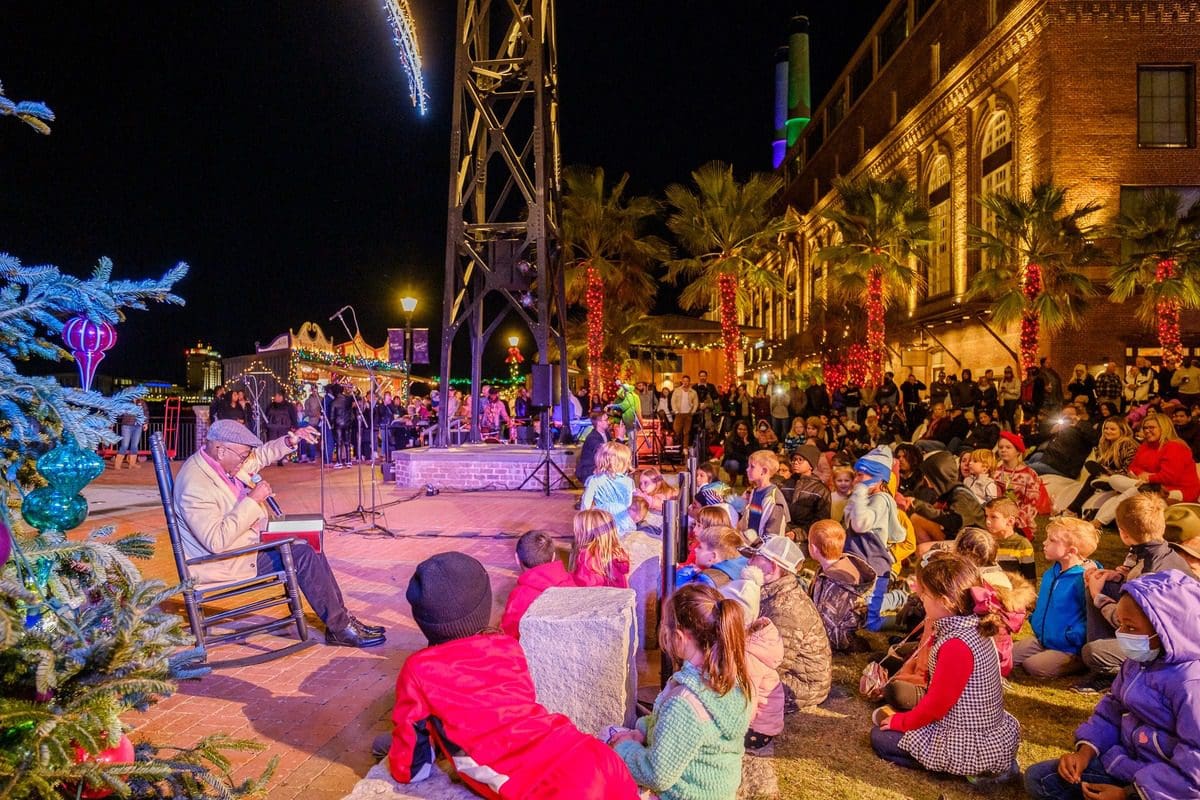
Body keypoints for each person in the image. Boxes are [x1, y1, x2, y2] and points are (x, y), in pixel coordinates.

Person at [383, 552, 639, 798]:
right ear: (483, 606)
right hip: (591, 753)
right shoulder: (507, 646)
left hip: (551, 786)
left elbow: (411, 769)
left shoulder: (419, 669)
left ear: (424, 621)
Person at [174, 419, 383, 647]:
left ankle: (341, 621)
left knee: (309, 541)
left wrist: (290, 440)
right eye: (243, 456)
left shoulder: (224, 462)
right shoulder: (195, 483)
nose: (246, 461)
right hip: (223, 562)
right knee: (301, 554)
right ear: (221, 450)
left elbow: (261, 455)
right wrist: (252, 500)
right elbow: (216, 541)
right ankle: (340, 627)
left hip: (245, 545)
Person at [1025, 570, 1200, 800]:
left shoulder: (1191, 684)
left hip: (1165, 786)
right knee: (1039, 779)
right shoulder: (1138, 661)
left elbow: (1194, 767)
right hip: (1126, 764)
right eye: (1121, 624)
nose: (1122, 634)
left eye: (1131, 628)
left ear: (1167, 630)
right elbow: (1112, 710)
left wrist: (1128, 795)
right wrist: (1084, 753)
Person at [870, 555, 1020, 786]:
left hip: (966, 738)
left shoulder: (956, 645)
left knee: (881, 737)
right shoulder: (971, 626)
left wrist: (902, 723)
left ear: (946, 601)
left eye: (925, 595)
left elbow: (936, 705)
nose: (921, 598)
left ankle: (963, 768)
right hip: (978, 728)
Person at [610, 583, 752, 800]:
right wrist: (642, 730)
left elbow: (656, 774)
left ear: (679, 636)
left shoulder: (684, 703)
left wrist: (624, 748)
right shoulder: (732, 677)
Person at [1076, 493, 1192, 691]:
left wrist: (1098, 596)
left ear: (1123, 534)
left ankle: (1110, 671)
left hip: (1162, 646)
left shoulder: (1151, 572)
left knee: (1092, 652)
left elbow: (1131, 622)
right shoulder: (1164, 553)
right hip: (1166, 632)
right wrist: (1118, 577)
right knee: (1101, 583)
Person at [744, 536, 833, 710]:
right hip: (796, 675)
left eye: (756, 558)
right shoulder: (772, 593)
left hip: (802, 685)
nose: (749, 562)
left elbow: (773, 664)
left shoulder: (785, 609)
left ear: (774, 566)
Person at [1013, 517, 1100, 678]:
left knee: (1033, 666)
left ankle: (1079, 662)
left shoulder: (1084, 580)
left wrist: (1074, 636)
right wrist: (1034, 619)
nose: (1045, 543)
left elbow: (1092, 616)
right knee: (1007, 655)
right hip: (1043, 639)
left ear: (1071, 551)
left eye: (1052, 540)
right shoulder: (1050, 573)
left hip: (1069, 646)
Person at [717, 567, 784, 752]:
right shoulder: (747, 640)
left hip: (757, 729)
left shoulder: (749, 657)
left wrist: (732, 730)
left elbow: (748, 701)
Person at [1092, 412, 1200, 526]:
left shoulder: (1175, 446)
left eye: (1151, 427)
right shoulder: (1146, 446)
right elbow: (1132, 468)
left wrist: (1149, 477)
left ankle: (1097, 522)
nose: (1147, 431)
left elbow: (1169, 477)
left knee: (1133, 491)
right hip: (1152, 485)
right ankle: (1098, 520)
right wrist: (1146, 476)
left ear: (1163, 428)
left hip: (1175, 492)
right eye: (1145, 428)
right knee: (1115, 479)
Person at [845, 447, 906, 630]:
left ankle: (902, 603)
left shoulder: (880, 500)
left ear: (878, 478)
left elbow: (860, 524)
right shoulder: (870, 499)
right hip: (860, 561)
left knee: (871, 622)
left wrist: (860, 495)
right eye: (856, 475)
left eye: (861, 476)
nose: (856, 481)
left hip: (875, 566)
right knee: (856, 607)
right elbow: (849, 520)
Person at [807, 519, 876, 652]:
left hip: (839, 638)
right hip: (848, 629)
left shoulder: (833, 584)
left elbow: (828, 624)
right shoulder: (847, 564)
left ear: (813, 549)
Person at [902, 449, 986, 549]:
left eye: (928, 476)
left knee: (922, 550)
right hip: (959, 536)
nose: (925, 480)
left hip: (970, 543)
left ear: (939, 476)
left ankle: (934, 559)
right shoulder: (950, 491)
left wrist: (920, 506)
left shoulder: (961, 495)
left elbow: (956, 522)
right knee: (916, 518)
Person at [500, 530, 576, 639]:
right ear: (554, 556)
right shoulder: (571, 583)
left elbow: (509, 636)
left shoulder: (519, 598)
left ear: (517, 559)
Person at [1065, 417, 1137, 517]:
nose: (1108, 431)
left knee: (1093, 472)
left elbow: (1129, 469)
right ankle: (1073, 509)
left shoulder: (1127, 444)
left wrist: (1110, 473)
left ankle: (1072, 509)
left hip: (1123, 479)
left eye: (1112, 429)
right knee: (1092, 469)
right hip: (1107, 477)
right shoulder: (1105, 444)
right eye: (1106, 428)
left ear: (1122, 430)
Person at [993, 431, 1042, 540]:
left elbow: (1031, 505)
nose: (1003, 450)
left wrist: (1013, 520)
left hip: (1019, 523)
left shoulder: (1029, 474)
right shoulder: (994, 472)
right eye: (1001, 447)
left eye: (1008, 447)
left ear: (1018, 452)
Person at [580, 441, 636, 533]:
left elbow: (585, 504)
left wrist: (585, 521)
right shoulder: (628, 481)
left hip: (601, 518)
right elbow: (628, 503)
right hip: (621, 517)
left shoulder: (594, 480)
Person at [1027, 404, 1094, 478]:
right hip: (1052, 460)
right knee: (1035, 456)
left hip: (1064, 468)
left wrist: (1079, 423)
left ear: (1078, 416)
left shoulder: (1083, 428)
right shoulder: (1060, 427)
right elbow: (1034, 439)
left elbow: (1094, 438)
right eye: (1064, 415)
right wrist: (1051, 432)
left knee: (1027, 469)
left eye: (1071, 414)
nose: (1067, 417)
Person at [570, 509, 630, 588]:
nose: (574, 532)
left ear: (586, 534)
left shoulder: (588, 557)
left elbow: (584, 584)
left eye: (577, 530)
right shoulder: (617, 552)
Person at [780, 445, 830, 539]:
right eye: (794, 459)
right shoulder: (784, 485)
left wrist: (798, 534)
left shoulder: (820, 490)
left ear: (811, 465)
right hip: (782, 533)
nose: (795, 462)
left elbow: (821, 521)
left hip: (805, 539)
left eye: (800, 460)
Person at [740, 450, 790, 542]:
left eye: (752, 466)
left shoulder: (773, 498)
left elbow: (773, 533)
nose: (747, 469)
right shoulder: (753, 491)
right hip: (752, 544)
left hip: (765, 549)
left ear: (764, 470)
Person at [676, 526, 748, 589]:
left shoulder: (706, 581)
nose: (695, 549)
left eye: (700, 547)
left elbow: (677, 598)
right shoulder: (738, 575)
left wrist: (682, 576)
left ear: (713, 557)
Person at [985, 497, 1036, 581]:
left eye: (993, 517)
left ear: (1010, 521)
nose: (988, 521)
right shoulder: (986, 542)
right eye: (986, 516)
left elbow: (1030, 579)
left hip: (1013, 592)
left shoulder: (1022, 545)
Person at [574, 410, 610, 484]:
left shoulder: (606, 434)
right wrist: (620, 437)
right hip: (589, 470)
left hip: (600, 467)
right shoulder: (592, 437)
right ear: (599, 423)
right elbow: (605, 451)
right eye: (606, 420)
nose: (608, 422)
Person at [114, 396, 149, 469]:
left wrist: (145, 423)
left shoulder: (141, 402)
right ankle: (117, 464)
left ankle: (132, 464)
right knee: (125, 445)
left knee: (134, 446)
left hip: (138, 426)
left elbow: (145, 413)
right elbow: (119, 411)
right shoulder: (126, 401)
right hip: (127, 426)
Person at [670, 374, 699, 450]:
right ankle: (677, 446)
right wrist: (675, 410)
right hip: (679, 413)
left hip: (688, 414)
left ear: (689, 382)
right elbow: (673, 401)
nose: (685, 382)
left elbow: (696, 403)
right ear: (682, 381)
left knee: (686, 432)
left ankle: (685, 447)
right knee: (676, 430)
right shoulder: (677, 390)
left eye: (687, 381)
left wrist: (693, 411)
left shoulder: (693, 392)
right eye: (684, 381)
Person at [721, 421, 754, 487]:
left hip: (745, 462)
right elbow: (731, 454)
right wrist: (745, 458)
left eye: (745, 429)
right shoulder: (730, 439)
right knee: (734, 464)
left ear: (748, 430)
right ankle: (733, 479)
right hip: (731, 462)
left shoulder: (752, 439)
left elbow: (753, 454)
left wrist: (746, 443)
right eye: (740, 429)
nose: (742, 431)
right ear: (736, 429)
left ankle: (745, 480)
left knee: (752, 462)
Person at [997, 366, 1021, 431]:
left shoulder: (1016, 380)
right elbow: (999, 390)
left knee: (1010, 417)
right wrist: (1001, 390)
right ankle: (1007, 431)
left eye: (1008, 372)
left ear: (1011, 373)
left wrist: (1008, 390)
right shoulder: (1003, 380)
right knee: (1005, 418)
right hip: (1004, 401)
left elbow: (1017, 391)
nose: (1007, 374)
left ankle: (1013, 431)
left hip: (1012, 401)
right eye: (1006, 372)